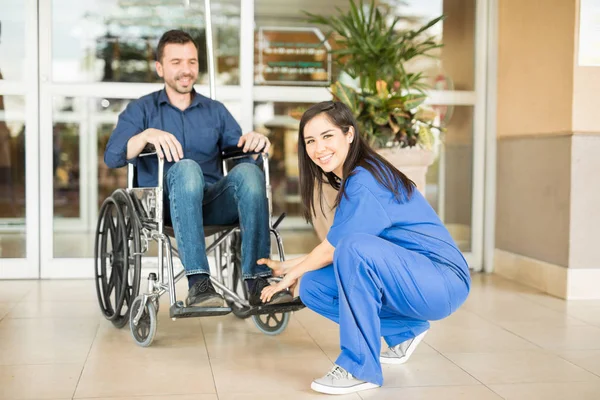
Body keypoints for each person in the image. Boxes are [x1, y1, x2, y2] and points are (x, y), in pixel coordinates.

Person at [259, 101, 471, 395]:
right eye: (310, 141)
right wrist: (292, 268)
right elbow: (334, 246)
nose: (318, 148)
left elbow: (338, 248)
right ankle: (405, 330)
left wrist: (288, 275)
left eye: (327, 136)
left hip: (442, 280)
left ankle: (360, 367)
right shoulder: (356, 175)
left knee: (353, 248)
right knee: (313, 287)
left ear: (349, 134)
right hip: (414, 275)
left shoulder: (364, 180)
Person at [104, 29, 292, 308]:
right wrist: (144, 136)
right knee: (186, 168)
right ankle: (199, 284)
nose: (186, 70)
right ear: (160, 68)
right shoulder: (142, 110)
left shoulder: (215, 111)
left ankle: (257, 282)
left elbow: (241, 162)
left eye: (192, 62)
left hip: (211, 203)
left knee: (251, 174)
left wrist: (255, 142)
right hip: (165, 207)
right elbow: (112, 156)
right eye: (176, 62)